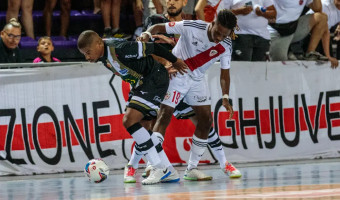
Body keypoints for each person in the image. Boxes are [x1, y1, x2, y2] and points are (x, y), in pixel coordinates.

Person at [126, 0, 241, 182]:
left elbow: (224, 73)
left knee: (206, 121)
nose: (219, 38)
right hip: (176, 74)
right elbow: (157, 27)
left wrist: (225, 96)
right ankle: (156, 166)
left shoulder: (226, 44)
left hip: (197, 80)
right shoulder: (192, 26)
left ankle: (192, 169)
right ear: (212, 23)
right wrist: (147, 33)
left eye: (223, 35)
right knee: (163, 116)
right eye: (217, 33)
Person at [77, 30, 187, 185]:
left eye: (88, 52)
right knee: (143, 131)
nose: (87, 58)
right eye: (84, 54)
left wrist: (174, 61)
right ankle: (169, 170)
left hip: (153, 79)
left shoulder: (120, 48)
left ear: (98, 43)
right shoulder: (103, 56)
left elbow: (153, 48)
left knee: (129, 121)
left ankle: (157, 167)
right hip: (141, 84)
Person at [307, 0, 339, 68]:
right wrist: (328, 56)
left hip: (323, 33)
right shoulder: (324, 5)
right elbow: (325, 31)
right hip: (308, 34)